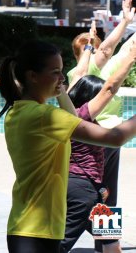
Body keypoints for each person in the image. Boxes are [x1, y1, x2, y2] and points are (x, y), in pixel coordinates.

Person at [0, 40, 136, 253]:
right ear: (32, 76)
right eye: (55, 73)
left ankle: (109, 245)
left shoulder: (18, 112)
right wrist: (131, 57)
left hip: (32, 225)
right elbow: (115, 135)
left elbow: (74, 114)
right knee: (109, 238)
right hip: (66, 209)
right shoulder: (47, 118)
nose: (62, 78)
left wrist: (58, 88)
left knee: (109, 238)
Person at [58, 38, 136, 252]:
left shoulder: (65, 115)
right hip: (82, 193)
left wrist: (88, 49)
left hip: (91, 192)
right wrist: (130, 58)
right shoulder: (81, 118)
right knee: (57, 246)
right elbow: (109, 88)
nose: (106, 104)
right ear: (89, 98)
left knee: (112, 244)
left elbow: (79, 74)